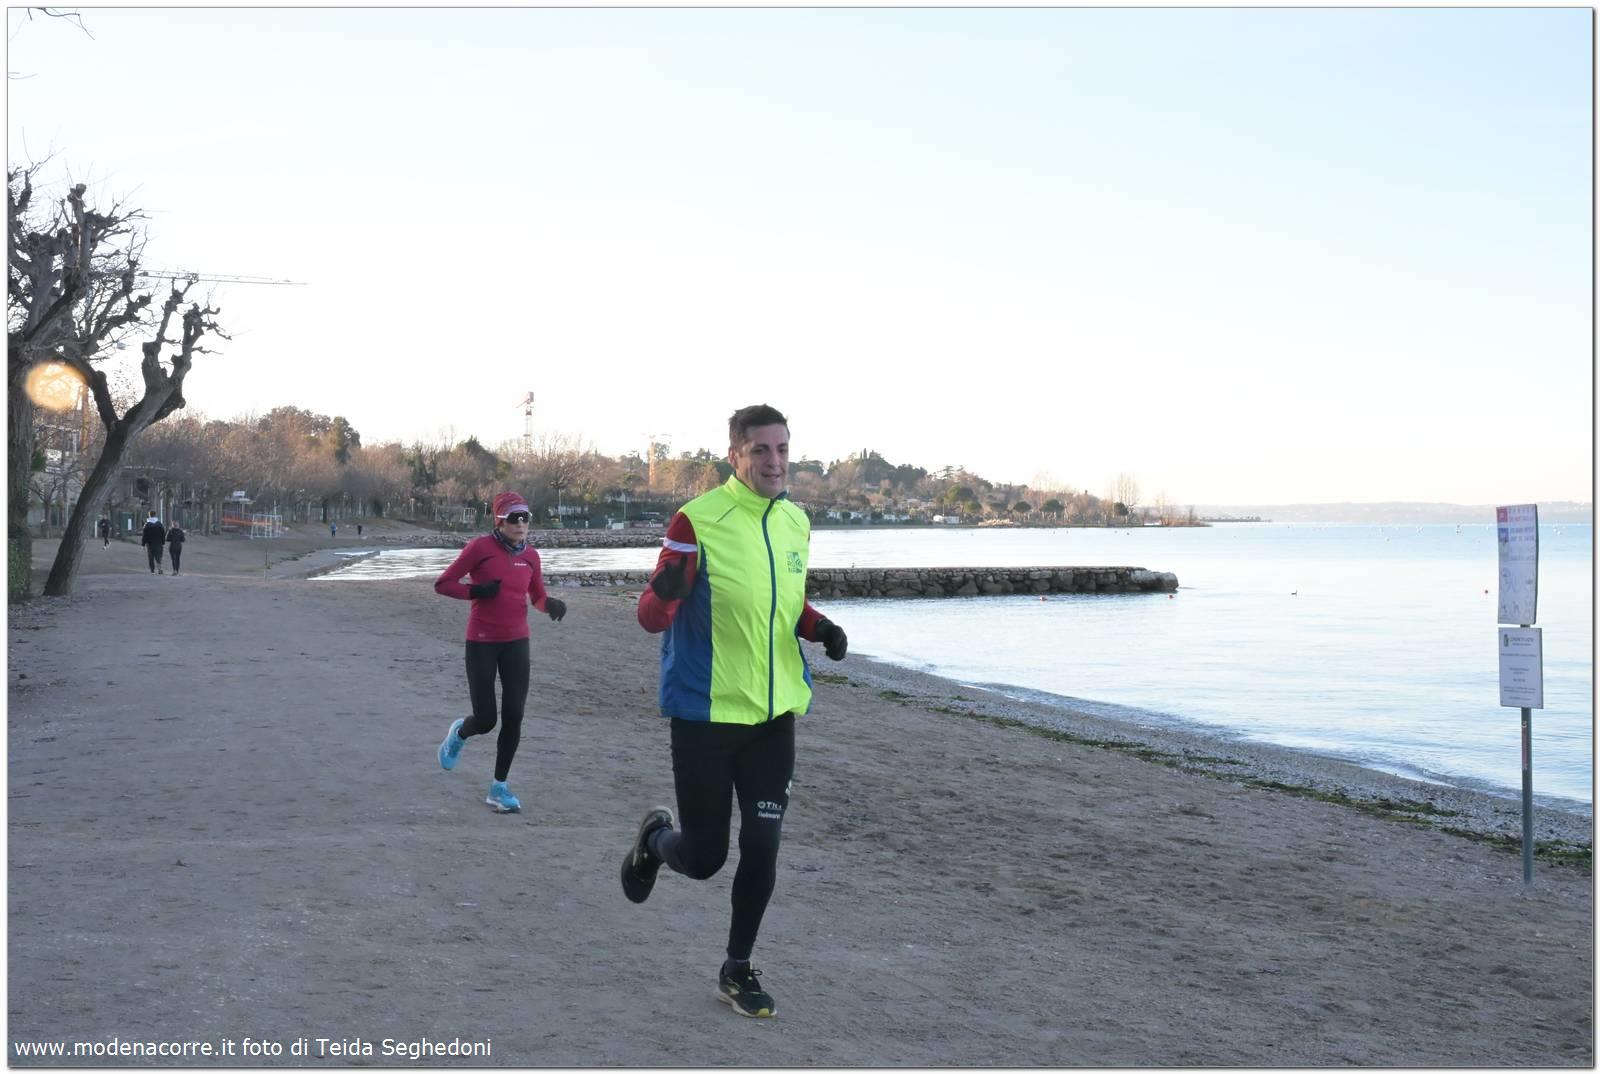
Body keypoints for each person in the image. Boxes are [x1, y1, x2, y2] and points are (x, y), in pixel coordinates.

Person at [619, 404, 849, 1019]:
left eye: (782, 449)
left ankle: (736, 969)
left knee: (763, 845)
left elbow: (784, 604)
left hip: (773, 717)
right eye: (760, 450)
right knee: (704, 858)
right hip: (706, 713)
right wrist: (665, 592)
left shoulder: (796, 521)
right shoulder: (697, 520)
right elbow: (650, 617)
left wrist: (820, 627)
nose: (775, 462)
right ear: (735, 456)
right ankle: (654, 842)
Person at [433, 491, 568, 813]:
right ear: (499, 521)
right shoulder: (479, 548)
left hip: (517, 641)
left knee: (514, 716)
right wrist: (476, 591)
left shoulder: (531, 556)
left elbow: (536, 597)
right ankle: (458, 734)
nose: (521, 524)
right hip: (481, 640)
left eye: (525, 518)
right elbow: (443, 583)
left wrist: (550, 605)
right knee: (486, 719)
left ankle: (499, 788)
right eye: (514, 518)